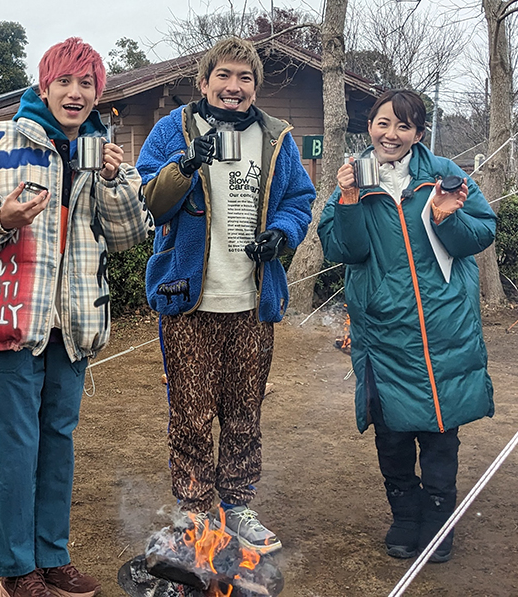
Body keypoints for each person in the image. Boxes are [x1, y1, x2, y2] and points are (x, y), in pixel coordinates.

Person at [0, 38, 151, 597]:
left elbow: (131, 238)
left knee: (58, 441)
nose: (75, 93)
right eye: (66, 82)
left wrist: (113, 182)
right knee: (13, 447)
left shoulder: (105, 156)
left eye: (87, 84)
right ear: (44, 87)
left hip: (73, 322)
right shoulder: (3, 143)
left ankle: (52, 554)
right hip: (9, 318)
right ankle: (14, 569)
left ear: (98, 95)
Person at [135, 37, 316, 554]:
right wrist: (188, 164)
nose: (234, 87)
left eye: (245, 79)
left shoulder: (276, 137)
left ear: (255, 87)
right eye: (224, 76)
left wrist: (281, 233)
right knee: (190, 412)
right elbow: (154, 201)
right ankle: (194, 509)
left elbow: (299, 199)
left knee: (244, 410)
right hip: (188, 299)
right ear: (204, 81)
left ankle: (237, 503)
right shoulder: (173, 129)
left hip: (253, 300)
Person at [317, 89, 497, 563]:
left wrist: (445, 218)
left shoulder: (445, 175)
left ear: (419, 133)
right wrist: (350, 199)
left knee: (441, 434)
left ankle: (439, 521)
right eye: (381, 124)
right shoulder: (351, 179)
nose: (390, 134)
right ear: (368, 128)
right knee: (391, 433)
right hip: (382, 328)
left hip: (443, 325)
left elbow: (482, 232)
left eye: (402, 126)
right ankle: (404, 515)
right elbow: (343, 249)